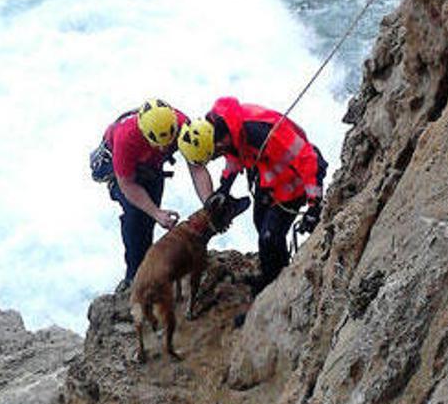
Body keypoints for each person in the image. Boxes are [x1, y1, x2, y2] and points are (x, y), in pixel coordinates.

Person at [177, 96, 327, 303]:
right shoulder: (227, 128)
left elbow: (308, 160)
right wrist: (224, 186)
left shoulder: (262, 133)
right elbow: (234, 155)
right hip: (270, 178)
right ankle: (273, 273)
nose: (219, 155)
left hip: (294, 185)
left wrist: (314, 205)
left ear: (219, 141)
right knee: (260, 224)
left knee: (270, 236)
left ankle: (275, 287)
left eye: (216, 152)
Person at [100, 98, 212, 293]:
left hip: (151, 166)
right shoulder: (126, 138)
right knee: (136, 219)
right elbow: (127, 184)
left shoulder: (182, 125)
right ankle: (134, 277)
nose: (163, 148)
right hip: (125, 172)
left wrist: (210, 204)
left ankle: (149, 272)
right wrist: (156, 212)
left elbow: (196, 166)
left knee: (148, 222)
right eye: (158, 144)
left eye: (167, 143)